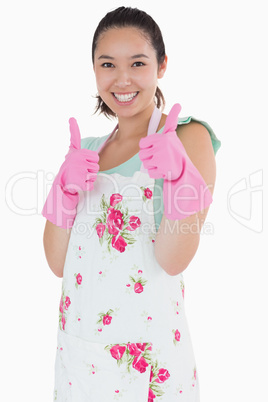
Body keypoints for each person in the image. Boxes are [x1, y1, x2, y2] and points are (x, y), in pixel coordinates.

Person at [42, 6, 221, 402]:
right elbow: (57, 264)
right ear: (94, 69)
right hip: (80, 364)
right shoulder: (85, 152)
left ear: (161, 66)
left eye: (138, 63)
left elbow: (173, 260)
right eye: (108, 64)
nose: (122, 79)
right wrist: (64, 190)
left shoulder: (189, 138)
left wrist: (179, 179)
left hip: (150, 367)